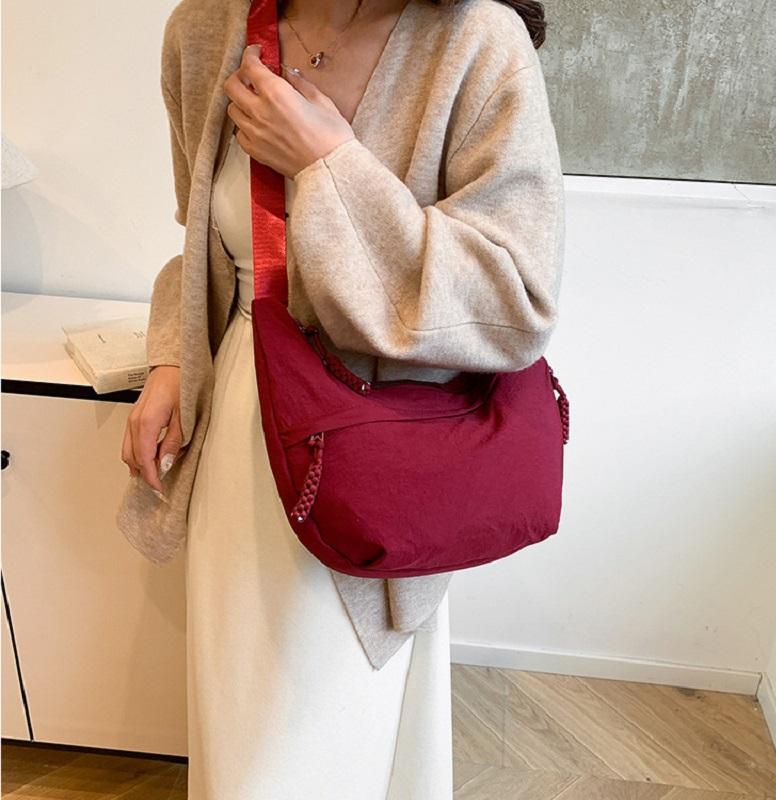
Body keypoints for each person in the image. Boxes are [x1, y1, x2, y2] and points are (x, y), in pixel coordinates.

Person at [117, 0, 565, 797]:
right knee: (243, 730)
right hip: (244, 442)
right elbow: (204, 242)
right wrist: (174, 359)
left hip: (381, 454)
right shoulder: (205, 30)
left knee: (330, 738)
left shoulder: (476, 44)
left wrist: (328, 165)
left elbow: (513, 301)